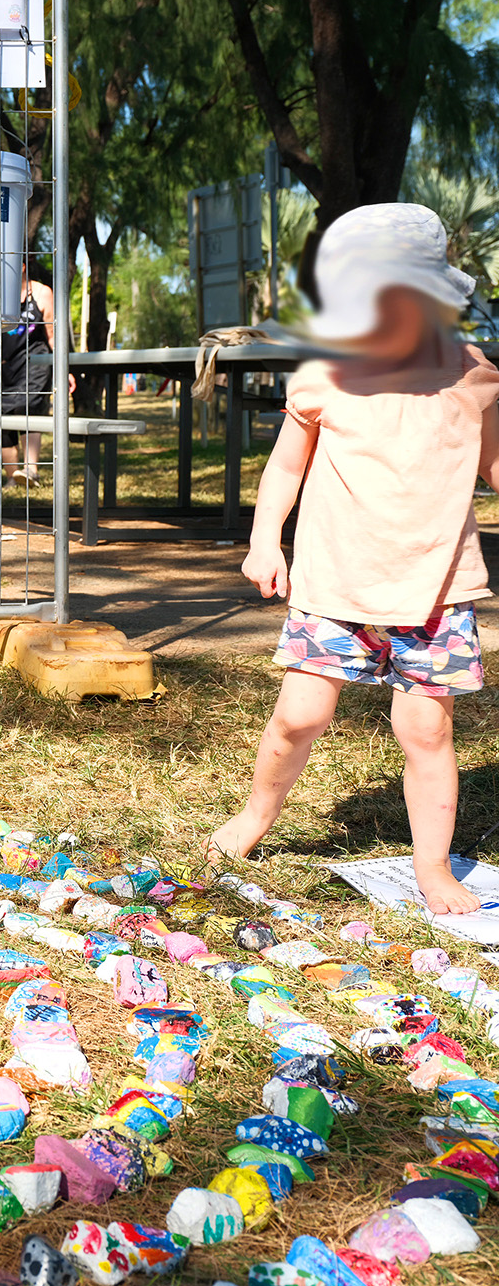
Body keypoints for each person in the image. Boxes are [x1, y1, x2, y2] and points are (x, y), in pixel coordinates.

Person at [210, 204, 498, 914]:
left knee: (425, 728)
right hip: (335, 582)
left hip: (434, 589)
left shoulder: (472, 379)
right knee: (298, 718)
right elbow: (285, 469)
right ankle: (256, 816)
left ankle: (433, 867)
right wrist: (264, 538)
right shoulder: (325, 376)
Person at [0, 261, 57, 485]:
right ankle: (13, 477)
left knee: (28, 409)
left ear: (22, 266)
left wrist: (64, 368)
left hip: (34, 364)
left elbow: (52, 335)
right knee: (6, 418)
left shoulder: (42, 293)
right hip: (2, 366)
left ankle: (31, 471)